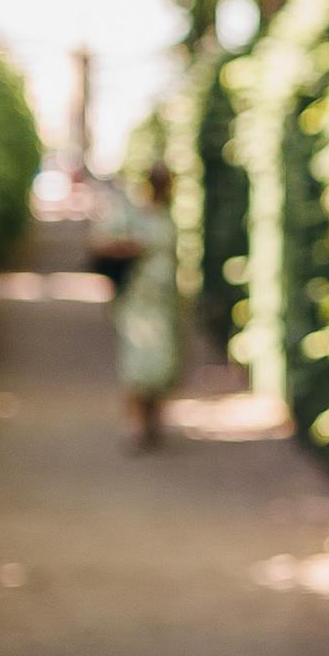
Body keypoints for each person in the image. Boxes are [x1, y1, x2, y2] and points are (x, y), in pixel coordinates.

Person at [97, 160, 185, 448]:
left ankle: (154, 422)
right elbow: (100, 244)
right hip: (138, 300)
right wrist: (132, 246)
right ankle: (135, 425)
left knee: (164, 363)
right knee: (137, 363)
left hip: (166, 302)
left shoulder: (168, 215)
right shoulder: (133, 214)